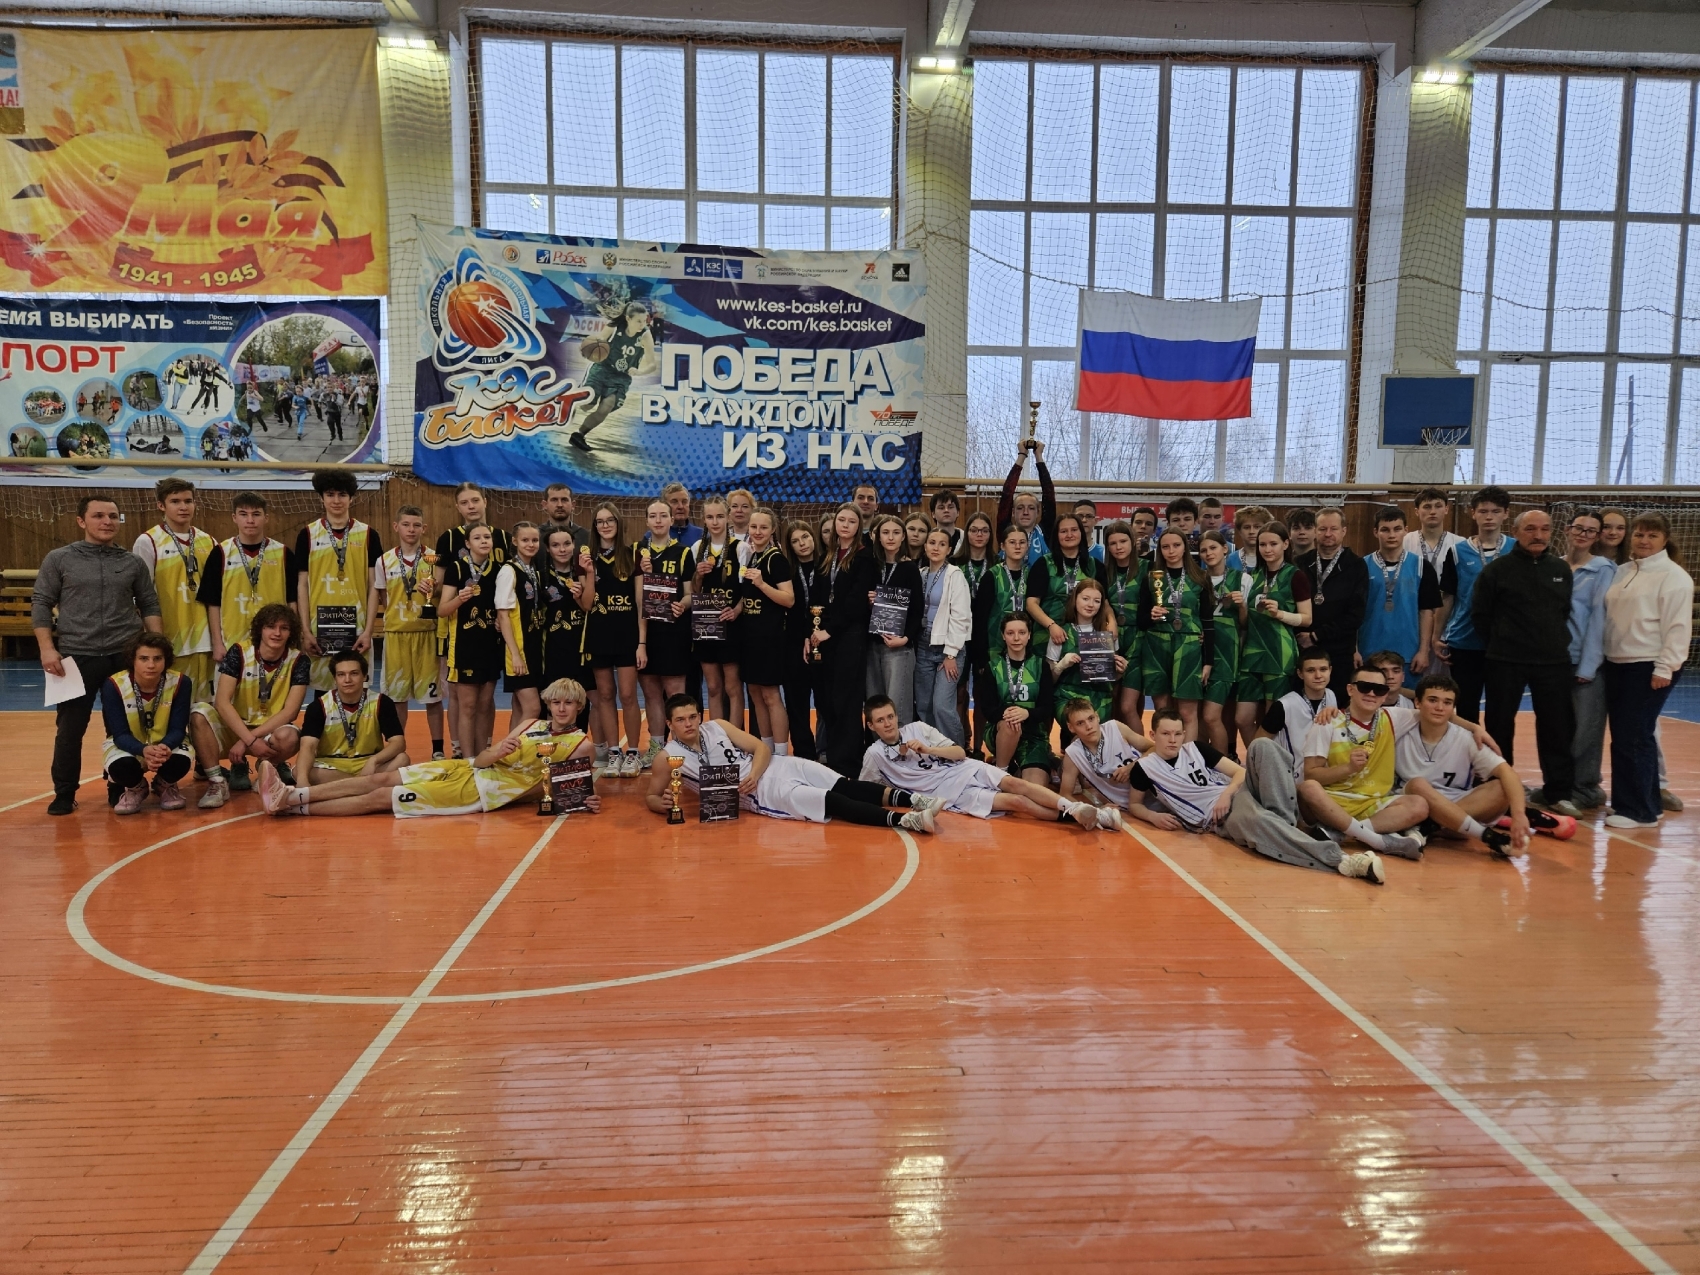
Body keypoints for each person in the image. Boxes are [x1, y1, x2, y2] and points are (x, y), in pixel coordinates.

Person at [1116, 706, 1388, 885]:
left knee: (1261, 745)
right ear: (1153, 734)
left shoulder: (1196, 748)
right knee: (1259, 820)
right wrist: (1153, 817)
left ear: (1184, 734)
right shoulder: (1144, 769)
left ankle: (1283, 824)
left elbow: (1239, 772)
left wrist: (1226, 794)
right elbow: (1134, 805)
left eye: (1177, 733)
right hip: (1220, 817)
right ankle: (1342, 861)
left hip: (1235, 793)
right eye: (1165, 734)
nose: (1172, 739)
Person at [261, 678, 597, 818]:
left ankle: (290, 807)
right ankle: (293, 794)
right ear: (548, 704)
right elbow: (482, 759)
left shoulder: (581, 745)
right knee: (380, 779)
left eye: (568, 703)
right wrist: (495, 752)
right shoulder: (530, 724)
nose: (561, 708)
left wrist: (583, 800)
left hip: (482, 792)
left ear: (579, 707)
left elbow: (551, 790)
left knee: (381, 798)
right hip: (466, 768)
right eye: (556, 702)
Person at [34, 496, 164, 815]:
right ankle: (64, 792)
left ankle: (120, 785)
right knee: (70, 729)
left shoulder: (132, 562)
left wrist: (156, 647)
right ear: (82, 521)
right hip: (74, 657)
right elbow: (41, 603)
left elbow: (149, 603)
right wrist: (47, 648)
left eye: (113, 516)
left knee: (121, 728)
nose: (107, 521)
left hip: (124, 656)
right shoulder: (59, 558)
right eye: (99, 516)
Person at [646, 695, 936, 832]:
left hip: (774, 767)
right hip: (761, 794)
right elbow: (652, 796)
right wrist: (660, 804)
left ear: (700, 715)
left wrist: (755, 772)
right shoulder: (667, 757)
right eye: (681, 720)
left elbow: (761, 747)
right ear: (669, 724)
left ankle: (915, 800)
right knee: (831, 800)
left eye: (693, 717)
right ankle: (906, 821)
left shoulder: (717, 726)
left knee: (843, 784)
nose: (689, 723)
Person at [1471, 508, 1579, 817]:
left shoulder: (1561, 569)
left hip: (1553, 662)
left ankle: (1558, 792)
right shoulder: (1497, 570)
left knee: (1557, 728)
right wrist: (1503, 642)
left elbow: (1562, 612)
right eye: (1531, 529)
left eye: (1545, 529)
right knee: (1499, 726)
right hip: (1506, 660)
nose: (1538, 535)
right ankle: (1500, 790)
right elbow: (1481, 615)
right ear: (1516, 532)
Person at [863, 695, 1095, 825]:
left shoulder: (918, 728)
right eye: (880, 720)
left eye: (890, 716)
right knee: (1017, 802)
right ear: (871, 726)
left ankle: (1074, 808)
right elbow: (866, 789)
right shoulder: (874, 755)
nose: (888, 723)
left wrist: (928, 749)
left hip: (962, 768)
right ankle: (1073, 819)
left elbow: (960, 753)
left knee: (1017, 784)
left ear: (897, 716)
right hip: (948, 793)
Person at [1600, 513, 1693, 829]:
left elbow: (1678, 628)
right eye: (1639, 534)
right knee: (1629, 736)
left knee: (1634, 737)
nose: (1644, 540)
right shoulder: (1623, 571)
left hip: (1649, 665)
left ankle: (1638, 811)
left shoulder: (1674, 577)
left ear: (1665, 539)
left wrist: (1665, 668)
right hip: (1617, 663)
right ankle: (1646, 803)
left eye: (1652, 535)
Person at [1297, 663, 1429, 860]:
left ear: (1385, 695)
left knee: (1419, 805)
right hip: (1333, 801)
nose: (1372, 694)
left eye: (1379, 690)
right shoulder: (1327, 722)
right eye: (1365, 687)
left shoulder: (1392, 717)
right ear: (1350, 689)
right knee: (1308, 788)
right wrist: (1348, 768)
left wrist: (1474, 728)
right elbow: (1311, 774)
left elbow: (1437, 712)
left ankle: (1343, 833)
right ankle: (1378, 841)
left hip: (1372, 803)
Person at [1395, 675, 1531, 860]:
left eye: (1447, 702)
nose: (1440, 708)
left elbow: (1507, 772)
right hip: (1414, 801)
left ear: (1453, 708)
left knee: (1501, 788)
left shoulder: (1466, 739)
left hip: (1458, 804)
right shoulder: (1400, 725)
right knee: (1418, 784)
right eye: (1433, 700)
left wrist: (1519, 814)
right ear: (1417, 702)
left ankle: (1429, 827)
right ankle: (1480, 834)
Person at [190, 603, 310, 808]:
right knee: (198, 713)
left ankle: (267, 769)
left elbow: (290, 712)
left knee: (290, 736)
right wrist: (248, 739)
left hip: (268, 730)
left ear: (291, 632)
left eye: (284, 628)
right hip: (235, 727)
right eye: (271, 626)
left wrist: (249, 740)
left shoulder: (299, 660)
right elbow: (222, 702)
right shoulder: (239, 652)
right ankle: (217, 782)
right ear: (260, 629)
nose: (277, 633)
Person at [434, 483, 514, 758]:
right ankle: (464, 756)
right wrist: (456, 597)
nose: (471, 506)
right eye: (465, 502)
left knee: (486, 701)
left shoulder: (501, 559)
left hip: (491, 639)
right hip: (462, 640)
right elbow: (441, 602)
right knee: (463, 701)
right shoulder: (453, 559)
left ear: (485, 502)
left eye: (475, 500)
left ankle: (484, 753)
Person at [293, 468, 382, 691]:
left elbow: (374, 586)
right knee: (322, 696)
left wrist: (368, 631)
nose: (336, 500)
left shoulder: (369, 535)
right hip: (319, 631)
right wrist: (306, 632)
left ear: (351, 498)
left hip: (357, 631)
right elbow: (302, 585)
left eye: (342, 494)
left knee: (356, 691)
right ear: (321, 498)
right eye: (330, 494)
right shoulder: (307, 535)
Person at [132, 478, 215, 701]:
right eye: (175, 501)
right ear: (161, 505)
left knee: (204, 707)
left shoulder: (209, 541)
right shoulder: (148, 541)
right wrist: (153, 640)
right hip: (171, 639)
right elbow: (142, 595)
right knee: (172, 704)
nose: (183, 507)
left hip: (205, 640)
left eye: (188, 501)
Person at [811, 504, 879, 775]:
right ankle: (832, 757)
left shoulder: (864, 557)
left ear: (859, 526)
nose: (845, 525)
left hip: (849, 636)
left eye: (852, 521)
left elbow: (857, 601)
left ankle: (848, 763)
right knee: (827, 699)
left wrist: (830, 630)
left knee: (846, 701)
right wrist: (812, 631)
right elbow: (816, 598)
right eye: (842, 520)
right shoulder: (826, 557)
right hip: (823, 635)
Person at [369, 505, 443, 749]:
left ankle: (438, 749)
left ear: (424, 528)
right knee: (397, 697)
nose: (411, 530)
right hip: (396, 635)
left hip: (427, 634)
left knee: (432, 697)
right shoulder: (383, 561)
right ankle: (397, 747)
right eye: (406, 524)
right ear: (396, 527)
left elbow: (442, 593)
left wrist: (435, 590)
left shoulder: (434, 558)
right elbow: (383, 598)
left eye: (416, 525)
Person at [1234, 520, 1312, 751]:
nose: (1267, 549)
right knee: (1242, 719)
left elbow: (1307, 618)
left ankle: (1269, 765)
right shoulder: (1251, 576)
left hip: (1279, 653)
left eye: (1273, 544)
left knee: (1272, 720)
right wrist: (1240, 608)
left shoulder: (1295, 575)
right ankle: (1257, 761)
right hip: (1251, 652)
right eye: (1262, 544)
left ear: (1286, 544)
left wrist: (1280, 614)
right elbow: (1246, 621)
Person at [1434, 486, 1510, 721]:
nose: (1489, 517)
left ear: (1506, 514)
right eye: (1483, 511)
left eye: (1495, 511)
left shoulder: (1516, 549)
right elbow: (1448, 596)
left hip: (1504, 643)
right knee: (1466, 709)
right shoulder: (1457, 552)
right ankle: (1467, 748)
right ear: (1473, 513)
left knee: (1501, 712)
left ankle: (1498, 748)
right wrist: (1437, 636)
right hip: (1465, 641)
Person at [100, 632, 194, 814]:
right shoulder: (114, 684)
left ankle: (164, 785)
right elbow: (119, 733)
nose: (151, 665)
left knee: (181, 761)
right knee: (120, 767)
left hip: (166, 744)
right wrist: (143, 750)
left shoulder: (181, 682)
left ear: (166, 660)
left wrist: (165, 747)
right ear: (132, 660)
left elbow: (178, 728)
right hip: (129, 743)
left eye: (157, 658)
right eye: (144, 658)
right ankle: (136, 788)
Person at [199, 491, 293, 666]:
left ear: (266, 517)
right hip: (231, 643)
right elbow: (213, 603)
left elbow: (292, 601)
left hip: (275, 643)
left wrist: (293, 639)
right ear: (234, 517)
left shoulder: (283, 553)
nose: (250, 520)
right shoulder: (220, 553)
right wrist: (217, 643)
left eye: (256, 514)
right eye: (243, 514)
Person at [587, 502, 645, 777]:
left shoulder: (633, 554)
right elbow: (586, 603)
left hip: (627, 635)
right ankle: (613, 752)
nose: (605, 525)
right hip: (598, 635)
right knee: (605, 695)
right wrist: (586, 573)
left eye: (610, 520)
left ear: (618, 523)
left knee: (628, 695)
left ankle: (632, 752)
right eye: (600, 521)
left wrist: (642, 643)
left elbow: (641, 604)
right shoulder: (587, 558)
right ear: (594, 526)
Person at [439, 524, 503, 765]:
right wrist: (459, 599)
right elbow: (442, 610)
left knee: (485, 705)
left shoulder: (500, 570)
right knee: (468, 706)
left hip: (490, 645)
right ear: (467, 543)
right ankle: (468, 761)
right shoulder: (457, 568)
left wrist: (501, 619)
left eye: (487, 537)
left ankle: (482, 758)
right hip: (464, 647)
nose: (483, 541)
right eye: (477, 537)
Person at [1140, 528, 1212, 742]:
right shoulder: (1152, 578)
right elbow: (1141, 620)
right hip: (1156, 646)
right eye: (1165, 546)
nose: (1171, 551)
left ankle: (1188, 758)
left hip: (1189, 647)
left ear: (1185, 548)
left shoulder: (1200, 578)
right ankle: (1165, 757)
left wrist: (1208, 661)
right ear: (1159, 550)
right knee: (1163, 711)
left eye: (1176, 545)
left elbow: (1208, 622)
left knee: (1188, 712)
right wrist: (1151, 615)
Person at [635, 499, 693, 763]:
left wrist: (683, 604)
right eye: (653, 516)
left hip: (674, 633)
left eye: (663, 515)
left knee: (676, 694)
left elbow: (691, 593)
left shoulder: (683, 552)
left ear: (671, 519)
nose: (658, 520)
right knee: (650, 693)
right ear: (647, 520)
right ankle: (656, 749)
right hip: (647, 632)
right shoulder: (638, 552)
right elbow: (638, 599)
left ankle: (683, 748)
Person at [1563, 509, 1613, 810]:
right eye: (1578, 528)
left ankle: (1586, 788)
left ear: (1597, 537)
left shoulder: (1602, 569)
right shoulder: (1556, 566)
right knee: (1560, 729)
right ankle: (1560, 785)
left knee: (1586, 730)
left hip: (1584, 661)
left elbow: (1599, 619)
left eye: (1590, 530)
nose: (1583, 534)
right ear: (1568, 530)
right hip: (1557, 660)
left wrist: (1589, 665)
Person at [297, 650, 409, 784]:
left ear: (365, 676)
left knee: (402, 759)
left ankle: (347, 786)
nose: (347, 680)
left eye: (354, 673)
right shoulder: (319, 706)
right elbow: (308, 746)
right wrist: (302, 781)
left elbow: (398, 743)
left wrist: (374, 760)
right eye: (341, 674)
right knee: (300, 772)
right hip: (331, 764)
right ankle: (363, 784)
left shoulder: (381, 702)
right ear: (334, 678)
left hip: (368, 762)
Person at [1357, 505, 1439, 678]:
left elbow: (1427, 612)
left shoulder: (1421, 566)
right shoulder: (1361, 566)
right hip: (1369, 650)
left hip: (1408, 653)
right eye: (1385, 530)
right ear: (1375, 532)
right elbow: (1353, 612)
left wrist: (1424, 650)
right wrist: (1354, 649)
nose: (1392, 535)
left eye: (1397, 529)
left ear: (1406, 530)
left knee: (1407, 696)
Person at [1295, 505, 1366, 704]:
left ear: (1343, 531)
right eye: (1322, 529)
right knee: (1303, 705)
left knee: (1338, 706)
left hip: (1339, 650)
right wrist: (1304, 637)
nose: (1328, 534)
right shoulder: (1300, 563)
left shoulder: (1356, 565)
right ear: (1315, 531)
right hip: (1304, 649)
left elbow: (1356, 614)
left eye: (1333, 529)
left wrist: (1317, 636)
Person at [738, 507, 795, 754]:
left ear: (773, 530)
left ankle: (781, 754)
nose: (758, 531)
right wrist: (735, 610)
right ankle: (767, 749)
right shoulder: (752, 556)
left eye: (763, 527)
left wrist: (762, 585)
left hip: (769, 637)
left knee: (771, 695)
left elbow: (789, 599)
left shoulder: (775, 559)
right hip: (749, 636)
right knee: (755, 693)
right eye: (754, 527)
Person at [568, 301, 654, 451]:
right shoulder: (614, 327)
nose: (643, 324)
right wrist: (590, 349)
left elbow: (652, 365)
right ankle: (562, 403)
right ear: (628, 318)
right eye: (638, 321)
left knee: (606, 407)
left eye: (644, 320)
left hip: (621, 378)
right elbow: (598, 342)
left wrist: (639, 371)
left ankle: (579, 435)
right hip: (602, 369)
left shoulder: (645, 335)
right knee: (587, 405)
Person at [691, 495, 746, 729]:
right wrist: (698, 575)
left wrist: (737, 610)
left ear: (728, 517)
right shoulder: (697, 548)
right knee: (713, 687)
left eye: (720, 516)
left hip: (731, 625)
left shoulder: (741, 548)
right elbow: (693, 591)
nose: (715, 522)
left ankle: (734, 739)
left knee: (733, 687)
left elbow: (748, 589)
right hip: (706, 625)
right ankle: (717, 739)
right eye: (710, 517)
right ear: (704, 519)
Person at [1057, 698, 1153, 830]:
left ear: (1097, 716)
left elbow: (1154, 748)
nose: (1089, 726)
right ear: (1071, 727)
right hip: (1132, 807)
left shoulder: (1115, 728)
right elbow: (1065, 795)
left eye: (1091, 719)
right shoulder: (1073, 753)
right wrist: (1094, 810)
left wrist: (1132, 767)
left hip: (1158, 789)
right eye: (1080, 723)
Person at [983, 613, 1055, 786]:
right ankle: (1001, 773)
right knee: (1011, 723)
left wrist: (1026, 713)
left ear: (1029, 635)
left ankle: (1021, 768)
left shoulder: (1041, 666)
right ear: (1003, 635)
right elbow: (988, 710)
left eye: (1022, 632)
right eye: (1010, 633)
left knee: (1034, 788)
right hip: (1001, 731)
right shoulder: (993, 667)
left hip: (1033, 735)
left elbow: (1047, 708)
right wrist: (1009, 713)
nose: (1016, 638)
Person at [915, 526, 971, 747]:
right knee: (924, 706)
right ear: (925, 546)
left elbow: (961, 616)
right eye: (932, 543)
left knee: (942, 706)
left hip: (948, 648)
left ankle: (957, 753)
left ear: (949, 550)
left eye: (942, 544)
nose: (936, 548)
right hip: (923, 645)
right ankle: (932, 752)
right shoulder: (920, 574)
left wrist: (951, 654)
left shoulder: (955, 575)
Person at [866, 513, 924, 724]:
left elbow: (918, 611)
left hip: (899, 647)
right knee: (874, 706)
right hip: (872, 645)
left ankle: (902, 745)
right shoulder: (871, 567)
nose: (890, 537)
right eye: (885, 532)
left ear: (903, 537)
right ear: (877, 536)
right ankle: (877, 745)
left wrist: (906, 638)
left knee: (897, 706)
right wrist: (868, 601)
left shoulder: (910, 569)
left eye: (896, 532)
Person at [1045, 578, 1123, 732]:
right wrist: (1061, 665)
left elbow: (1113, 677)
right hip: (1067, 696)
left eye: (1096, 601)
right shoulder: (1061, 632)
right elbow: (1049, 680)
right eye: (1085, 598)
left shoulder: (1107, 634)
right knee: (1081, 723)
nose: (1090, 604)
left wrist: (1120, 671)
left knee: (1094, 730)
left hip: (1100, 696)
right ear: (1075, 600)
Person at [1253, 648, 1338, 781]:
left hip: (1325, 775)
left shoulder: (1331, 696)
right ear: (1300, 673)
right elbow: (1257, 744)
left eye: (1323, 669)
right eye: (1310, 670)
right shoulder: (1284, 705)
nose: (1318, 675)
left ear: (1330, 670)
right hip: (1292, 779)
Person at [1197, 531, 1246, 755]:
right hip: (1199, 650)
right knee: (1199, 716)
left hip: (1226, 653)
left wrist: (1242, 606)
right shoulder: (1197, 579)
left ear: (1225, 549)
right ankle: (1202, 764)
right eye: (1203, 550)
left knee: (1211, 716)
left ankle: (1223, 765)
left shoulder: (1242, 579)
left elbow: (1246, 623)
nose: (1208, 553)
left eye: (1213, 548)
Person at [495, 522, 547, 732]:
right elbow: (503, 614)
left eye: (534, 540)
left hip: (533, 647)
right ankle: (513, 749)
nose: (531, 544)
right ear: (515, 541)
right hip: (518, 650)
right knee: (533, 708)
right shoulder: (509, 571)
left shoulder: (532, 570)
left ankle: (511, 750)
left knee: (519, 708)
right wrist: (515, 655)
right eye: (525, 540)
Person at [1026, 512, 1102, 653]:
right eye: (1063, 531)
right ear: (1056, 535)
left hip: (1085, 636)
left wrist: (1112, 622)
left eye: (1074, 530)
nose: (1069, 535)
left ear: (1081, 533)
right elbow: (1031, 604)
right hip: (1048, 634)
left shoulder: (1094, 565)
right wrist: (1051, 625)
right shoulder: (1043, 563)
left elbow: (1105, 603)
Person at [951, 511, 995, 747]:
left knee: (981, 693)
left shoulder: (998, 565)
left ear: (990, 535)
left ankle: (978, 747)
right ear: (966, 533)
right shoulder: (954, 564)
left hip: (986, 636)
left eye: (984, 530)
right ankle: (962, 742)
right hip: (959, 635)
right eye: (974, 530)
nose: (979, 534)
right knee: (959, 692)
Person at [540, 526, 596, 705]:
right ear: (548, 549)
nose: (562, 549)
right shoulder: (541, 577)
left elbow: (590, 607)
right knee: (556, 703)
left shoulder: (583, 573)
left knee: (589, 702)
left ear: (574, 545)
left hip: (583, 649)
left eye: (566, 544)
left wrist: (579, 596)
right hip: (554, 650)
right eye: (555, 545)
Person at [1101, 521, 1147, 732]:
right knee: (1110, 702)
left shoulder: (1148, 568)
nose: (1118, 547)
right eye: (1113, 543)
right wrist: (1110, 618)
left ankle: (1143, 750)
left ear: (1132, 542)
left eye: (1123, 541)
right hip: (1110, 639)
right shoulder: (1103, 572)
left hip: (1140, 639)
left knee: (1128, 706)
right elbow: (1101, 601)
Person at [783, 521, 822, 761]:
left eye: (805, 537)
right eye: (795, 541)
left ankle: (828, 749)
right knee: (796, 703)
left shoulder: (827, 566)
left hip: (823, 640)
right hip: (794, 643)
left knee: (826, 701)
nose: (802, 544)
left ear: (813, 537)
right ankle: (804, 754)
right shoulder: (787, 572)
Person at [1403, 487, 1463, 625]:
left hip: (1448, 616)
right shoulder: (1405, 541)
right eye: (1427, 507)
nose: (1433, 511)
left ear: (1446, 509)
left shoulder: (1459, 544)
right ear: (1417, 511)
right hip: (1413, 613)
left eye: (1438, 506)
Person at [995, 438, 1056, 564]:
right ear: (1012, 512)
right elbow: (1007, 494)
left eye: (1031, 508)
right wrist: (1022, 455)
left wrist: (1039, 456)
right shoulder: (1005, 531)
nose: (1026, 512)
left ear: (1038, 512)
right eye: (1020, 508)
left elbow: (1049, 494)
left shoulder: (1045, 532)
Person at [540, 483, 591, 551]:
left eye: (564, 500)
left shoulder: (587, 537)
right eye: (554, 500)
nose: (560, 505)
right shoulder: (536, 537)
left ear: (573, 505)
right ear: (545, 505)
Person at [660, 482, 704, 551]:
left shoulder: (701, 535)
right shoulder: (653, 536)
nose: (680, 506)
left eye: (684, 501)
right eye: (674, 502)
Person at [929, 490, 965, 555]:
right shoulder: (927, 539)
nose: (946, 510)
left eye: (950, 507)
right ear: (933, 514)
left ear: (958, 512)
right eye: (941, 508)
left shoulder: (966, 539)